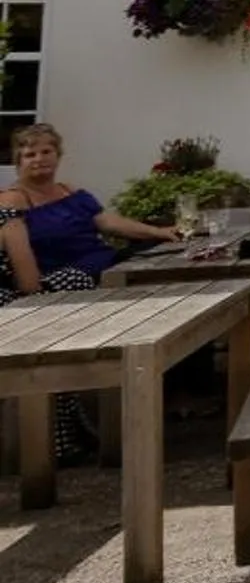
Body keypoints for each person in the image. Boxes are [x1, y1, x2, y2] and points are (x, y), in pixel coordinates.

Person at [0, 123, 180, 461]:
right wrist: (33, 294)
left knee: (163, 266)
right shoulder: (13, 201)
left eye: (46, 152)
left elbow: (109, 223)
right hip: (64, 281)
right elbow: (21, 261)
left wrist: (158, 231)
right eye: (30, 154)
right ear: (18, 160)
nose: (39, 159)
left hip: (103, 265)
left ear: (58, 155)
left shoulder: (71, 192)